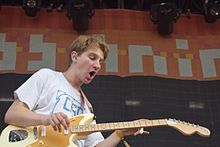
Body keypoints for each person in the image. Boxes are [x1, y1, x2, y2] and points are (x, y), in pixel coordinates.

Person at [4, 35, 148, 146]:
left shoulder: (87, 108)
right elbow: (12, 114)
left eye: (100, 62)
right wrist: (46, 119)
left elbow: (96, 146)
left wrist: (120, 132)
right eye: (92, 58)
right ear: (75, 56)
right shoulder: (47, 77)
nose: (97, 65)